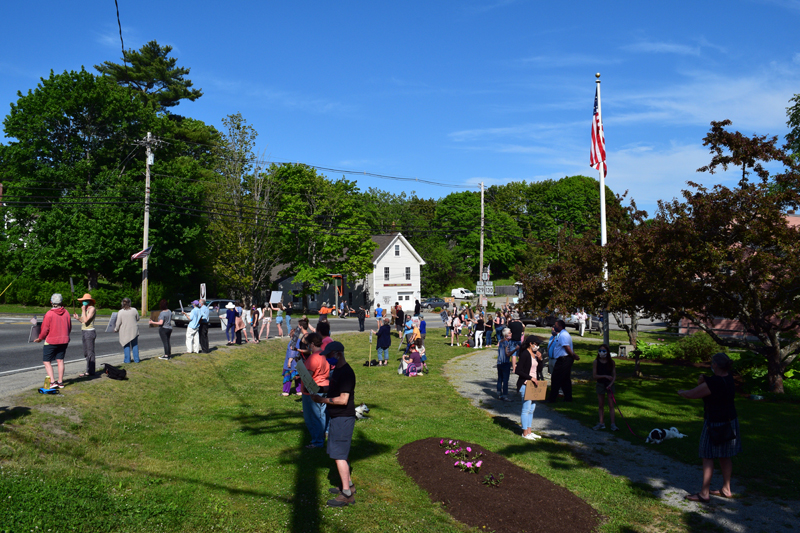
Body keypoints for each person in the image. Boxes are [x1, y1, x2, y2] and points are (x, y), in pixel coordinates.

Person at [678, 352, 741, 503]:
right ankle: (726, 489)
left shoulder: (714, 383)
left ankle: (704, 493)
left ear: (715, 365)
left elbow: (692, 394)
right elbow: (708, 385)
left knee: (707, 456)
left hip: (715, 423)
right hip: (730, 421)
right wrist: (703, 380)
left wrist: (681, 392)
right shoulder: (728, 378)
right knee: (725, 456)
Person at [311, 341, 357, 507]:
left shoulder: (346, 373)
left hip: (343, 418)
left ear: (338, 354)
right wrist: (319, 390)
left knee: (339, 456)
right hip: (337, 418)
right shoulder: (337, 370)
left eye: (329, 356)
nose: (328, 359)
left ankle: (346, 494)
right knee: (341, 453)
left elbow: (343, 399)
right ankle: (349, 485)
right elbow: (333, 390)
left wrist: (322, 400)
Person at [300, 332, 331, 449]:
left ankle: (317, 441)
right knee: (321, 415)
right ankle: (321, 436)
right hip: (324, 386)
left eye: (308, 344)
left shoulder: (314, 357)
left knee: (313, 417)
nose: (307, 346)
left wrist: (301, 370)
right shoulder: (324, 355)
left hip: (312, 390)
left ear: (312, 344)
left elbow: (308, 375)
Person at [34, 293, 71, 388]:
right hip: (64, 340)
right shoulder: (66, 313)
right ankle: (60, 382)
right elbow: (69, 327)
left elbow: (45, 329)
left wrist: (40, 338)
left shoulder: (49, 314)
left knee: (46, 361)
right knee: (60, 360)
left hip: (51, 340)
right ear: (61, 302)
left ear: (51, 302)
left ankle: (52, 382)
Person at [515, 335, 544, 440]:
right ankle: (524, 433)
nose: (537, 347)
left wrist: (540, 360)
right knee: (526, 408)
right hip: (525, 384)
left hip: (533, 385)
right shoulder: (525, 354)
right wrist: (530, 378)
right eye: (536, 344)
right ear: (530, 344)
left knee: (532, 409)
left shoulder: (535, 354)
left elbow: (539, 370)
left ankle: (529, 431)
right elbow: (518, 371)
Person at [548, 320, 579, 403]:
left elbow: (567, 347)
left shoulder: (563, 335)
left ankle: (552, 398)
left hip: (564, 359)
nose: (554, 327)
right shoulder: (561, 334)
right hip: (563, 359)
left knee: (555, 378)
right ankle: (568, 398)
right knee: (565, 379)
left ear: (560, 326)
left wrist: (573, 355)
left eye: (555, 325)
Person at [592, 344, 617, 430]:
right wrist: (605, 376)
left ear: (607, 352)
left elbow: (614, 376)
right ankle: (601, 422)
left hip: (609, 385)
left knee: (611, 404)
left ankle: (613, 424)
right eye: (600, 351)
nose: (601, 353)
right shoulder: (596, 362)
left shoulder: (612, 362)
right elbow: (595, 376)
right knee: (601, 404)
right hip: (600, 384)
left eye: (603, 351)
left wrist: (610, 384)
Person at [73, 293, 96, 376]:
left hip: (89, 331)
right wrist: (78, 318)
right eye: (82, 301)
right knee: (86, 352)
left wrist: (83, 310)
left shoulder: (91, 309)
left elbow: (86, 321)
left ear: (89, 301)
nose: (83, 302)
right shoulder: (85, 309)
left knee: (90, 352)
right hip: (84, 331)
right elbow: (83, 321)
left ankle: (90, 371)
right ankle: (88, 370)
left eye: (85, 301)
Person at [115, 297, 141, 363]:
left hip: (125, 330)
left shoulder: (120, 312)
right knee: (135, 345)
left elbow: (118, 323)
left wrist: (116, 329)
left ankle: (127, 360)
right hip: (134, 330)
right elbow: (138, 318)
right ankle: (136, 359)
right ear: (130, 303)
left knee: (126, 345)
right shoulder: (134, 310)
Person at [496, 328, 517, 401]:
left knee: (500, 379)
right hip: (505, 363)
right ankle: (505, 395)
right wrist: (515, 349)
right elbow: (507, 354)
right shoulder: (506, 343)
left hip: (499, 362)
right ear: (506, 334)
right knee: (505, 380)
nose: (511, 334)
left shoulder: (500, 341)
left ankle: (499, 393)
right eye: (510, 333)